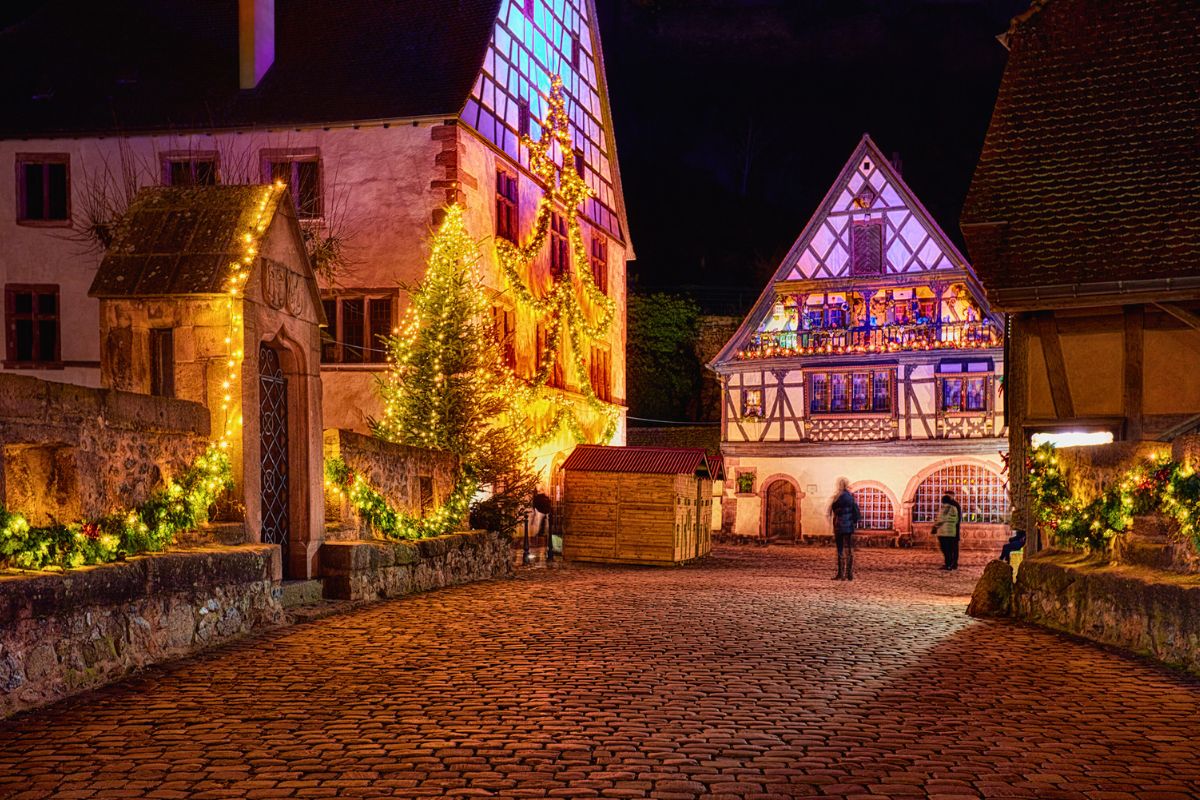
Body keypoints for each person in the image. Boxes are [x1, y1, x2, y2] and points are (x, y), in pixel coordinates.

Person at [829, 478, 860, 581]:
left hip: (839, 526)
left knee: (840, 549)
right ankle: (849, 574)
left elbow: (833, 510)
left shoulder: (838, 497)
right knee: (849, 550)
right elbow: (856, 513)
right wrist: (852, 522)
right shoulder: (851, 497)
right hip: (849, 527)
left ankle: (841, 574)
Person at [932, 491, 961, 570]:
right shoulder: (955, 507)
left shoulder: (946, 507)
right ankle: (953, 564)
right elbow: (957, 519)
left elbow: (941, 518)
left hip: (944, 532)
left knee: (946, 549)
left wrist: (935, 526)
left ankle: (949, 564)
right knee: (952, 548)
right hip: (953, 531)